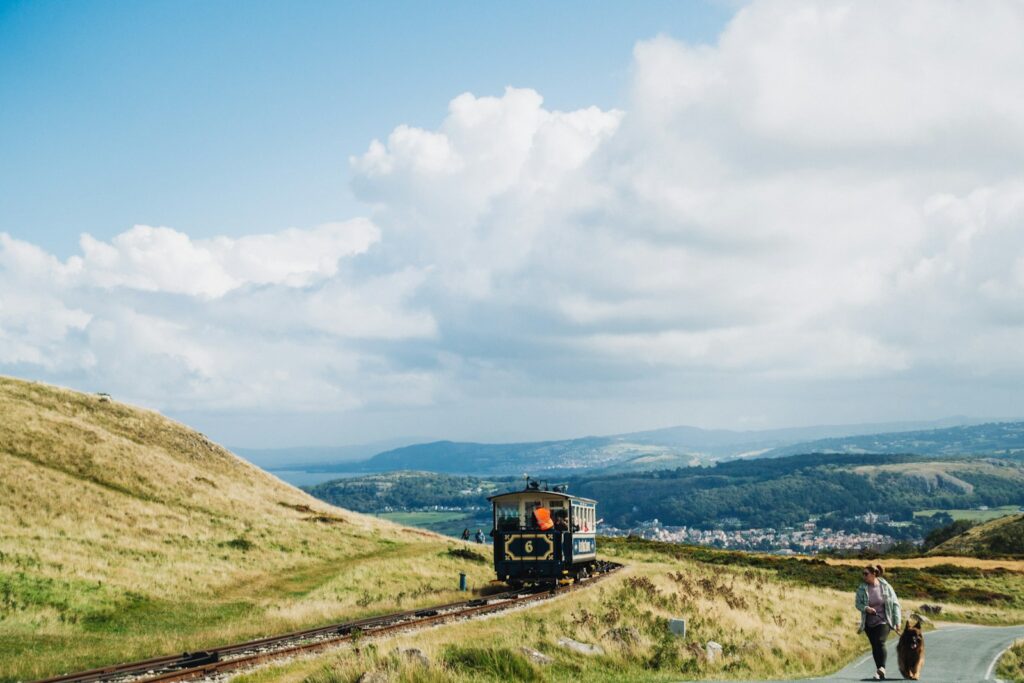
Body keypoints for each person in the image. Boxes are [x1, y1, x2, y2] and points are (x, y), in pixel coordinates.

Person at [855, 564, 901, 680]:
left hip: (884, 620)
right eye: (863, 574)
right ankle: (880, 670)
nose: (864, 576)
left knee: (880, 642)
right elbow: (858, 604)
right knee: (875, 646)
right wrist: (866, 608)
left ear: (874, 574)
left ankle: (882, 668)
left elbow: (895, 604)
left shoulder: (885, 586)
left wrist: (897, 621)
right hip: (869, 623)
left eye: (866, 574)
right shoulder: (862, 588)